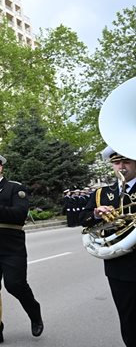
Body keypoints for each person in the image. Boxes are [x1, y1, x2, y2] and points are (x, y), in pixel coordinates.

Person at [0, 151, 43, 344]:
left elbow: (20, 214)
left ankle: (34, 313)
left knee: (15, 285)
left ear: (0, 168)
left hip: (11, 247)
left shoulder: (15, 188)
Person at [81, 146, 136, 347]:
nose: (121, 167)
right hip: (119, 265)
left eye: (126, 161)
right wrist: (96, 214)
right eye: (116, 162)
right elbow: (83, 220)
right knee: (128, 316)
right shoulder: (102, 193)